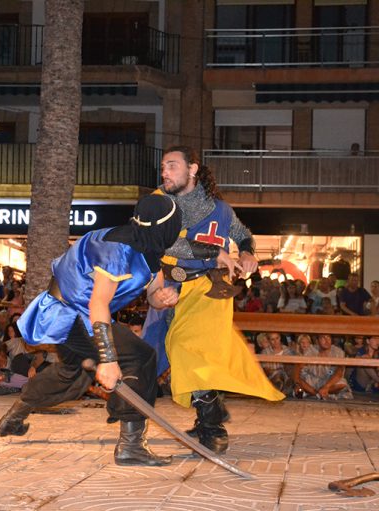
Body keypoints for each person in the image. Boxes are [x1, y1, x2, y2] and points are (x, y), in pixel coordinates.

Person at [0, 193, 182, 467]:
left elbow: (153, 292)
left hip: (84, 315)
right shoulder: (117, 249)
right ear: (165, 227)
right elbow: (98, 303)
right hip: (69, 313)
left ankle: (16, 413)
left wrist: (162, 298)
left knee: (73, 375)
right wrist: (108, 360)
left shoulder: (151, 248)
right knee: (139, 357)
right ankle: (131, 445)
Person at [142, 145, 284, 455]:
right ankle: (207, 408)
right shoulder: (157, 203)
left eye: (172, 166)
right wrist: (213, 252)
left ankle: (211, 426)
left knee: (187, 348)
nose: (164, 171)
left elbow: (242, 233)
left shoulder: (220, 209)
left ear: (192, 169)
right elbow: (163, 241)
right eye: (163, 166)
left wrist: (247, 252)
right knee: (151, 356)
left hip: (210, 291)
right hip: (168, 289)